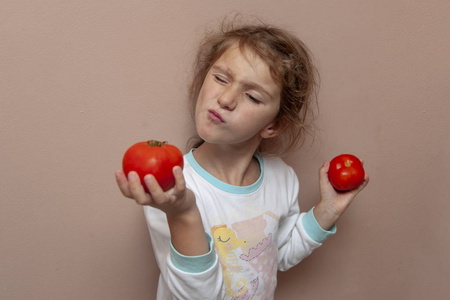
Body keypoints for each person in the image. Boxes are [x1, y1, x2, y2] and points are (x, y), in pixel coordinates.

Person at [115, 19, 369, 300]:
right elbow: (198, 296)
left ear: (273, 126)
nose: (226, 98)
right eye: (221, 78)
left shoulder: (280, 177)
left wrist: (327, 211)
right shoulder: (171, 186)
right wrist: (182, 212)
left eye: (252, 96)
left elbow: (279, 254)